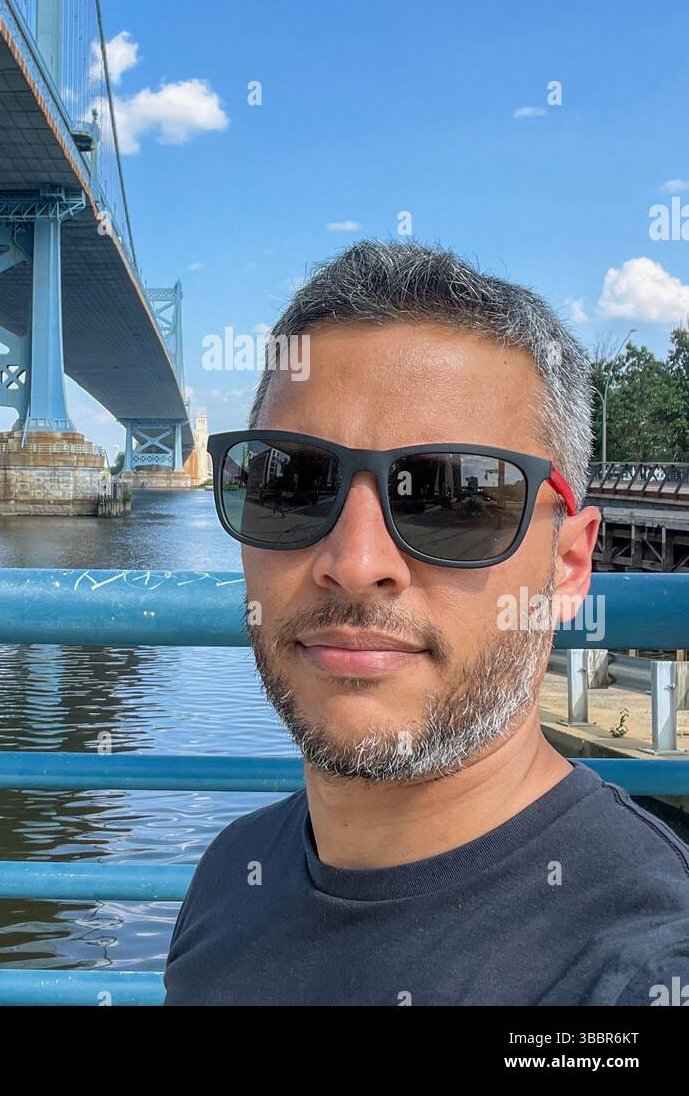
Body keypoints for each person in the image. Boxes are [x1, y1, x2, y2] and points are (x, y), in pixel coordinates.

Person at [164, 239, 689, 1007]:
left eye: (453, 498)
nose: (355, 559)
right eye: (292, 483)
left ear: (568, 567)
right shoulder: (229, 874)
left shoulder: (638, 970)